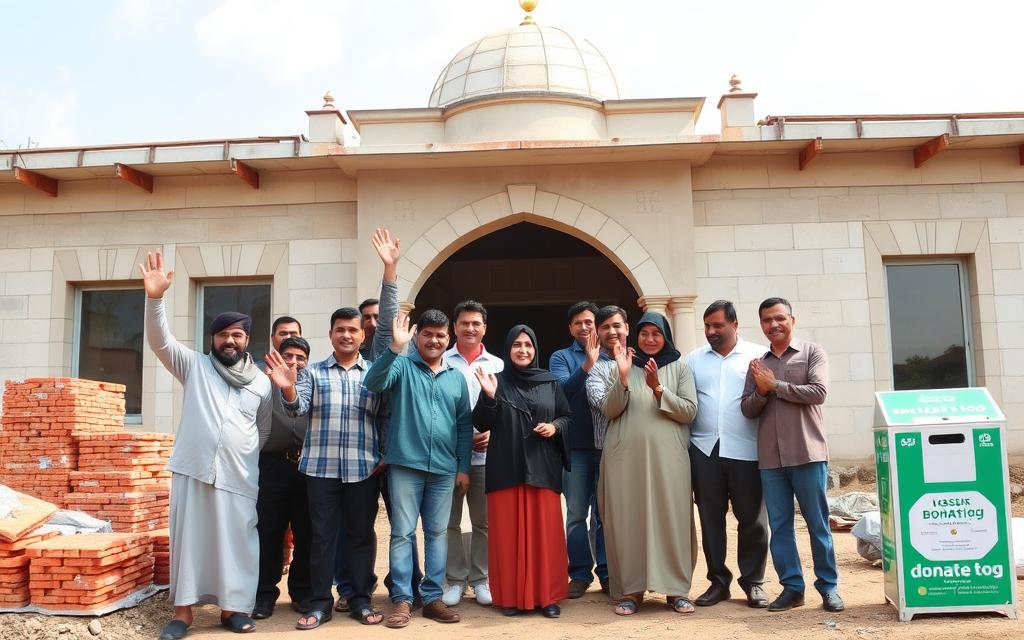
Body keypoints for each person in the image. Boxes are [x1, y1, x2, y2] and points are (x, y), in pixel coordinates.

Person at [266, 228, 400, 630]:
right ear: (331, 335)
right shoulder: (314, 372)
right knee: (322, 539)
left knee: (361, 537)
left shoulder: (373, 371)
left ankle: (359, 599)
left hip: (362, 468)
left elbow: (390, 319)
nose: (346, 334)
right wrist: (288, 388)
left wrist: (389, 270)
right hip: (320, 470)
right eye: (339, 329)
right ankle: (319, 603)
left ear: (363, 336)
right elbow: (298, 408)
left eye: (353, 330)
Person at [140, 251, 272, 640]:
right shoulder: (194, 365)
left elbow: (262, 430)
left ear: (247, 339)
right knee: (190, 543)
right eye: (222, 335)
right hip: (193, 470)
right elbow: (159, 340)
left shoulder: (262, 382)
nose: (229, 340)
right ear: (211, 339)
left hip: (239, 475)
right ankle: (183, 614)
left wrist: (238, 450)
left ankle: (233, 610)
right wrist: (155, 298)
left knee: (237, 544)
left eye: (236, 335)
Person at [364, 309, 473, 629]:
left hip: (443, 469)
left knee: (437, 534)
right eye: (427, 334)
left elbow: (464, 426)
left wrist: (462, 467)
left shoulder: (455, 377)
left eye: (440, 335)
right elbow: (373, 382)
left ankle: (432, 597)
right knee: (402, 534)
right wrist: (395, 348)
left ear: (448, 338)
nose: (434, 340)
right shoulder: (402, 366)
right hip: (405, 466)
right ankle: (402, 599)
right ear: (417, 336)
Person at [588, 311, 698, 616]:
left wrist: (658, 388)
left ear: (666, 337)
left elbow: (689, 411)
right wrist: (623, 377)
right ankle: (630, 590)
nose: (650, 339)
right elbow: (610, 411)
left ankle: (676, 590)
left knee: (671, 517)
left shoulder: (680, 368)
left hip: (669, 458)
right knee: (627, 519)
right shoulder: (620, 367)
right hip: (625, 458)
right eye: (644, 333)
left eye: (656, 334)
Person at [741, 297, 843, 613]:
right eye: (767, 320)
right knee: (780, 526)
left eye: (779, 318)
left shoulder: (813, 353)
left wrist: (776, 385)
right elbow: (746, 409)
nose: (774, 325)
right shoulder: (758, 364)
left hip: (807, 453)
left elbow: (819, 393)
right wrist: (760, 390)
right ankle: (792, 587)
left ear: (791, 320)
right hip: (771, 459)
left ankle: (829, 588)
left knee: (818, 525)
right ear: (761, 325)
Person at [472, 325, 570, 618]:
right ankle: (512, 598)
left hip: (542, 468)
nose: (523, 350)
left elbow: (567, 416)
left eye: (528, 344)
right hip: (506, 468)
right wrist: (488, 397)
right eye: (517, 345)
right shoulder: (496, 381)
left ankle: (548, 597)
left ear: (535, 349)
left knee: (545, 536)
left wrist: (555, 427)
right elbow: (482, 421)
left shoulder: (550, 382)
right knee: (507, 537)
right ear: (508, 349)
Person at [684, 300, 769, 609]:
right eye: (707, 326)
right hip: (704, 449)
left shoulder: (758, 355)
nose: (711, 331)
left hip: (747, 449)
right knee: (710, 519)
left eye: (718, 325)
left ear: (735, 325)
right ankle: (718, 582)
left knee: (753, 521)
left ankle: (754, 583)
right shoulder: (694, 360)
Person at [441, 300, 502, 607]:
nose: (470, 328)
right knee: (448, 522)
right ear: (455, 327)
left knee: (483, 523)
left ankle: (480, 579)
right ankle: (454, 579)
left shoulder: (497, 365)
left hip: (485, 459)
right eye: (464, 323)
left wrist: (494, 431)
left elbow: (508, 411)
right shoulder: (441, 361)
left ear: (484, 328)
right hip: (448, 458)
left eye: (476, 323)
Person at [549, 301, 609, 598]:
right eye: (578, 323)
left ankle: (608, 573)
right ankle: (580, 573)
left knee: (604, 514)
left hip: (607, 447)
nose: (584, 327)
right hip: (574, 448)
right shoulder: (560, 357)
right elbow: (562, 393)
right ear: (570, 328)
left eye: (589, 322)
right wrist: (587, 363)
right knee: (575, 514)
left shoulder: (614, 352)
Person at [253, 330, 313, 619]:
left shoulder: (314, 387)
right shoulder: (263, 386)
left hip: (307, 467)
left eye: (300, 358)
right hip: (271, 466)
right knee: (269, 532)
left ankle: (301, 593)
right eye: (288, 356)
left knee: (306, 532)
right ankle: (264, 594)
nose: (293, 362)